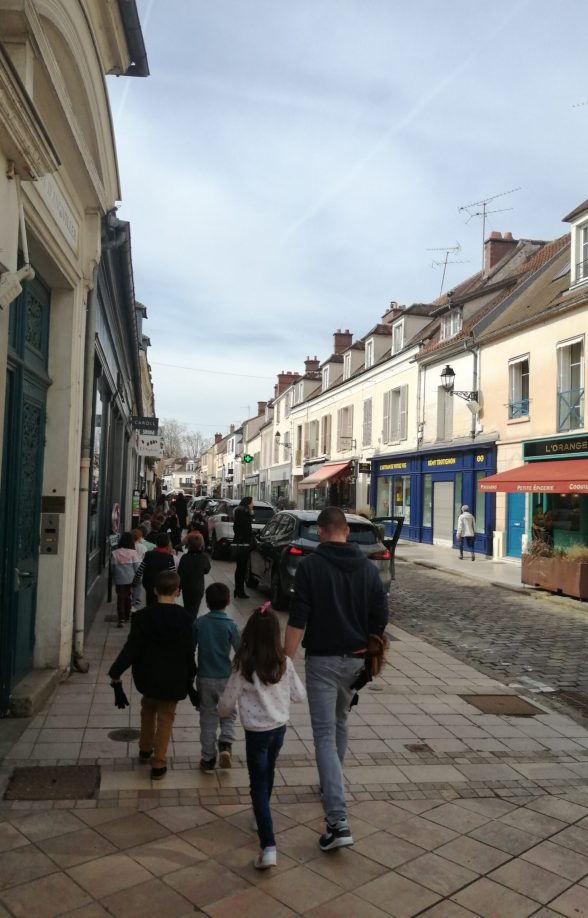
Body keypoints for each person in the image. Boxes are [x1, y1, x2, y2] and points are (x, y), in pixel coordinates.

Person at [284, 506, 388, 852]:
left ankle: (337, 820)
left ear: (323, 532)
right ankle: (332, 784)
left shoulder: (311, 567)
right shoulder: (367, 568)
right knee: (341, 721)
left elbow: (298, 620)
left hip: (324, 660)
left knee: (325, 734)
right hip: (356, 662)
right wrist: (369, 641)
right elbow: (381, 615)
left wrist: (285, 662)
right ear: (344, 530)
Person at [219, 602, 306, 870]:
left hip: (256, 733)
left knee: (257, 781)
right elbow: (300, 696)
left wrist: (221, 711)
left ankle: (268, 845)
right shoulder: (284, 663)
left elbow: (227, 702)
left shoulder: (243, 665)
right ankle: (261, 816)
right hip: (279, 729)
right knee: (268, 772)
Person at [108, 569, 196, 780]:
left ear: (154, 590)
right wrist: (191, 678)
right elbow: (189, 651)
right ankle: (159, 762)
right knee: (166, 717)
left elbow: (132, 648)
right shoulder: (185, 618)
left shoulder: (141, 617)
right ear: (178, 592)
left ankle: (145, 747)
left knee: (148, 708)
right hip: (173, 678)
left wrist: (116, 672)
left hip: (148, 676)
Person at [194, 582, 240, 774]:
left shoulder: (199, 623)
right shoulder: (230, 626)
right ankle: (226, 744)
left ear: (207, 601)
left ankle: (208, 758)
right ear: (228, 601)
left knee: (207, 717)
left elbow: (190, 647)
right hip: (225, 678)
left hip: (204, 677)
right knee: (228, 713)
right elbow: (240, 650)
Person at [132, 532, 176, 606]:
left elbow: (140, 569)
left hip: (149, 584)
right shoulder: (169, 557)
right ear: (168, 544)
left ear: (156, 543)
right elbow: (173, 573)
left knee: (150, 601)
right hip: (163, 585)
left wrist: (135, 582)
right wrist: (174, 588)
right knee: (161, 603)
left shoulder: (148, 554)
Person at [178, 533, 211, 621]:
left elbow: (180, 573)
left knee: (187, 606)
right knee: (194, 608)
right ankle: (191, 625)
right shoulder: (203, 557)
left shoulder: (185, 557)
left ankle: (186, 623)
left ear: (188, 545)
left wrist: (178, 587)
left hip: (187, 587)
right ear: (201, 545)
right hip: (198, 587)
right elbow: (207, 570)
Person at [110, 531, 140, 627]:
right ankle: (127, 616)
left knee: (120, 598)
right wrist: (138, 579)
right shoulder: (133, 553)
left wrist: (115, 576)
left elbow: (113, 568)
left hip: (119, 579)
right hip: (130, 579)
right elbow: (136, 567)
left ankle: (121, 618)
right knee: (128, 597)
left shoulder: (115, 553)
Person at [233, 496, 254, 598]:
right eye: (251, 503)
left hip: (240, 543)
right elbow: (246, 528)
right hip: (243, 544)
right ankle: (239, 590)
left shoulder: (239, 511)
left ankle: (238, 590)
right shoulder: (243, 513)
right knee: (242, 568)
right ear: (247, 504)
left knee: (240, 568)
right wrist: (251, 514)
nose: (252, 505)